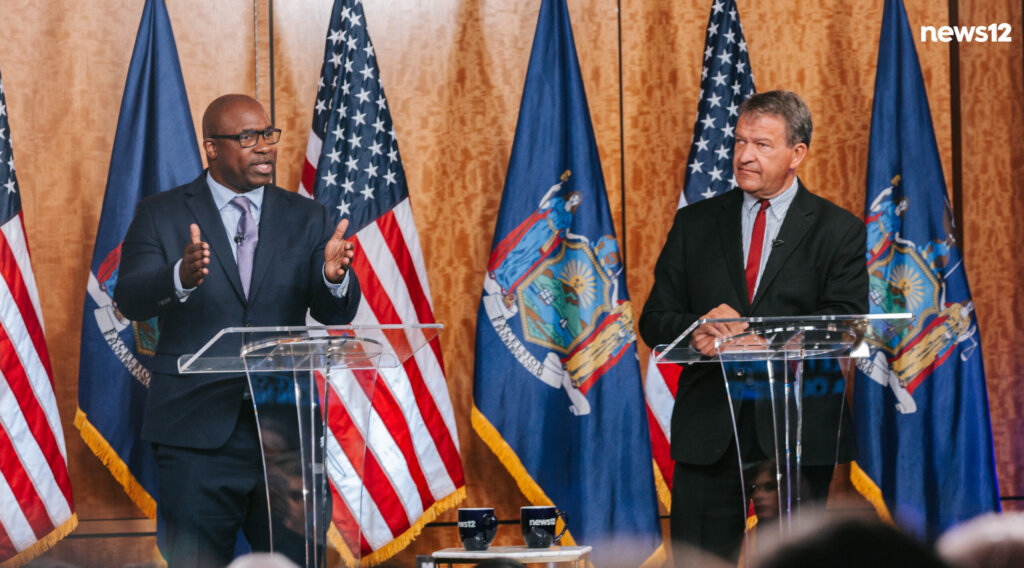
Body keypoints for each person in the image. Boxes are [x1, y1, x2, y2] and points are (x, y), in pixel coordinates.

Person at [114, 94, 361, 568]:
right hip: (195, 433)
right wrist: (179, 279)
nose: (265, 148)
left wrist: (333, 277)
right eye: (247, 138)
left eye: (268, 135)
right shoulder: (160, 213)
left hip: (285, 435)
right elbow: (129, 297)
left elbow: (334, 313)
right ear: (211, 148)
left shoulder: (309, 217)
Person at [639, 90, 867, 564]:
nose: (744, 155)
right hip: (710, 433)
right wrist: (699, 327)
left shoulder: (837, 229)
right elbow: (654, 319)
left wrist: (768, 339)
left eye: (762, 144)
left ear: (796, 154)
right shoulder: (694, 224)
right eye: (740, 141)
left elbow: (846, 322)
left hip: (796, 432)